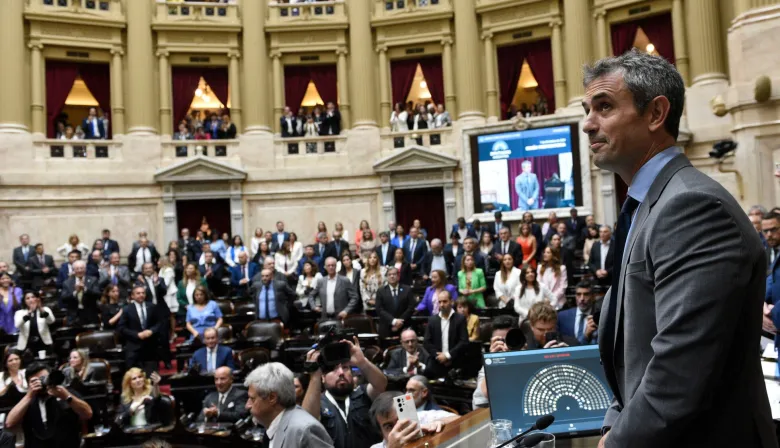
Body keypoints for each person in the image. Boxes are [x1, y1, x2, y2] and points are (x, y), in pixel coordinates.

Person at [582, 51, 777, 447]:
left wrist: (616, 443)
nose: (588, 124)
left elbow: (679, 369)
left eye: (604, 107)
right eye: (588, 109)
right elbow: (633, 352)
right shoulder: (646, 205)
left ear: (655, 114)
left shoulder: (691, 207)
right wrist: (613, 424)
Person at [303, 337, 387, 448]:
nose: (341, 372)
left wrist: (362, 362)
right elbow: (307, 419)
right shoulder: (319, 402)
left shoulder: (363, 393)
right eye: (333, 369)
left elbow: (381, 384)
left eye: (345, 367)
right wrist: (314, 374)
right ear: (322, 377)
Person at [5, 362, 93, 448]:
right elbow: (9, 423)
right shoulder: (27, 400)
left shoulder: (65, 393)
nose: (42, 382)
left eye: (44, 378)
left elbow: (88, 414)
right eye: (36, 380)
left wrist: (66, 396)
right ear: (29, 383)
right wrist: (29, 396)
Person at [246, 362, 334, 448]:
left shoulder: (304, 430)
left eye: (252, 399)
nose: (247, 405)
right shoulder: (272, 427)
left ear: (272, 398)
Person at [368, 391, 456, 448]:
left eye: (401, 421)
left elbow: (460, 418)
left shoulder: (422, 418)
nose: (398, 429)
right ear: (381, 432)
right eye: (389, 426)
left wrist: (440, 422)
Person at [119, 285, 165, 374]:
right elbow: (121, 328)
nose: (141, 295)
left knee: (152, 375)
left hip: (151, 346)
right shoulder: (127, 309)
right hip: (134, 346)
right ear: (132, 296)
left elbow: (160, 323)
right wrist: (137, 334)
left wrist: (151, 331)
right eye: (138, 293)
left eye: (143, 293)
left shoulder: (152, 307)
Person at [423, 290, 468, 379]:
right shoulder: (432, 320)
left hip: (455, 362)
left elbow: (464, 341)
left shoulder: (460, 319)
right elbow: (426, 342)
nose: (442, 305)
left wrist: (448, 356)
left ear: (451, 301)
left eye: (445, 301)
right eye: (439, 302)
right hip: (436, 363)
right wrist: (439, 357)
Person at [374, 267, 415, 338]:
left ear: (398, 276)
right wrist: (393, 321)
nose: (392, 276)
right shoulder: (381, 291)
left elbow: (411, 307)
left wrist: (400, 321)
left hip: (404, 326)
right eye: (389, 274)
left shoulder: (407, 289)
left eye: (394, 274)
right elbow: (379, 309)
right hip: (386, 327)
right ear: (386, 277)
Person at [61, 260, 101, 326]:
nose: (79, 270)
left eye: (81, 268)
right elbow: (64, 298)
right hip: (74, 317)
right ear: (73, 270)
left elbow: (98, 294)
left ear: (85, 269)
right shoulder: (67, 282)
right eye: (77, 268)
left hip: (90, 316)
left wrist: (85, 289)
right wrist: (75, 292)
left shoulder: (93, 280)